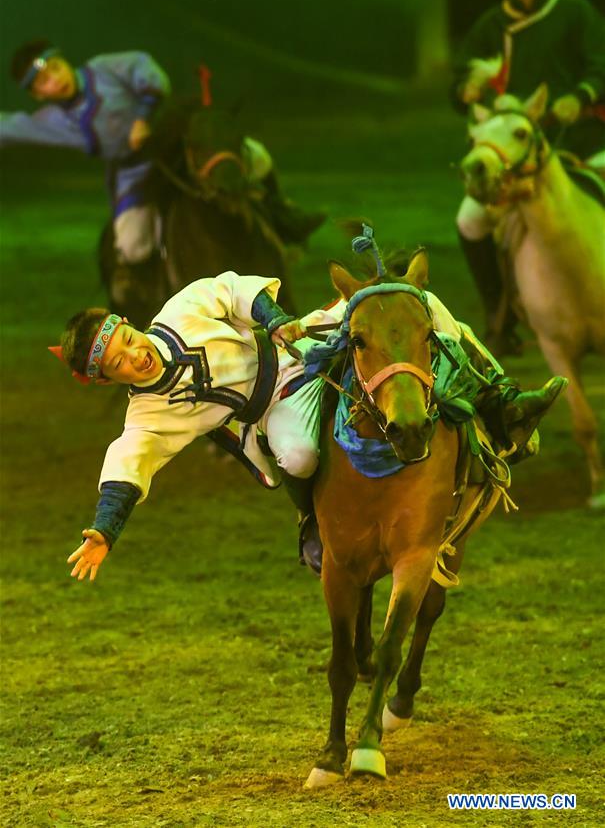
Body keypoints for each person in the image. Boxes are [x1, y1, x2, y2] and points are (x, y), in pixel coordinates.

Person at [52, 267, 566, 583]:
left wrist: (274, 319)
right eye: (116, 363)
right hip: (275, 408)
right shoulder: (148, 412)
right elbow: (128, 459)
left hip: (297, 346)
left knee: (415, 301)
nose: (131, 357)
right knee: (298, 456)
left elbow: (230, 290)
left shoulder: (178, 312)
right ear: (107, 379)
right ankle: (314, 526)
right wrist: (105, 528)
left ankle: (501, 401)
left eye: (125, 342)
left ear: (128, 325)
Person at [450, 0, 605, 354]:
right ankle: (502, 317)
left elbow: (600, 65)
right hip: (515, 155)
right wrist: (465, 89)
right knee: (470, 220)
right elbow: (459, 80)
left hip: (581, 139)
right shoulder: (491, 24)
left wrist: (582, 94)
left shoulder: (575, 12)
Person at [0, 41, 171, 305]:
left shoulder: (104, 68)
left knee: (255, 160)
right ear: (38, 94)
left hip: (173, 143)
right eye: (44, 82)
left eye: (55, 68)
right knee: (132, 246)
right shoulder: (52, 120)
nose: (56, 81)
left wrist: (143, 116)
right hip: (131, 172)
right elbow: (8, 127)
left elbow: (144, 66)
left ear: (63, 60)